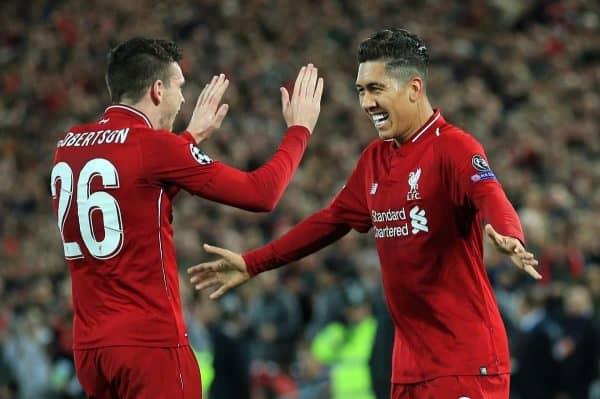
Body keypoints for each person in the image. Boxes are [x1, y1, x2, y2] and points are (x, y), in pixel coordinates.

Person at [188, 28, 541, 399]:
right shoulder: (375, 159)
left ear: (414, 88)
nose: (366, 102)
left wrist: (510, 234)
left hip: (465, 362)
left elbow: (489, 192)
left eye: (376, 89)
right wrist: (252, 263)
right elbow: (329, 221)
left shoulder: (453, 147)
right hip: (409, 367)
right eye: (361, 91)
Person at [50, 37, 323, 399]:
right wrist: (299, 131)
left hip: (92, 351)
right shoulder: (155, 147)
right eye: (180, 87)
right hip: (151, 347)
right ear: (158, 90)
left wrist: (190, 138)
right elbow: (262, 193)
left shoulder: (68, 145)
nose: (183, 100)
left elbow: (137, 199)